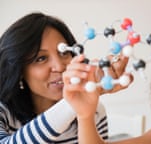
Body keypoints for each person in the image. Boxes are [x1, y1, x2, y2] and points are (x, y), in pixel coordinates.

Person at [0, 12, 129, 143]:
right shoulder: (3, 111)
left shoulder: (95, 112)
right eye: (41, 58)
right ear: (19, 70)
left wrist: (83, 111)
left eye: (64, 52)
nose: (59, 67)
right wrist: (73, 103)